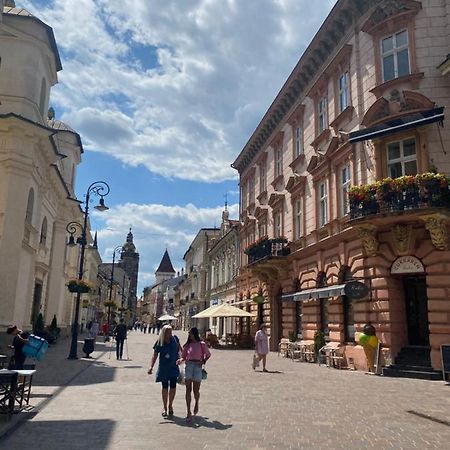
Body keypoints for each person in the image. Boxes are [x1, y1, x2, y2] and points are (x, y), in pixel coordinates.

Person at [148, 325, 182, 418]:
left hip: (174, 367)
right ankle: (164, 407)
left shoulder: (175, 339)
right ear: (164, 332)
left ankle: (170, 405)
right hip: (164, 368)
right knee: (165, 387)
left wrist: (182, 358)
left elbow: (180, 350)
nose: (170, 334)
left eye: (171, 332)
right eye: (168, 332)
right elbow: (155, 355)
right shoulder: (160, 342)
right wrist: (151, 367)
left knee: (173, 386)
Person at [178, 327, 211, 422]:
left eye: (191, 333)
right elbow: (183, 357)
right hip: (188, 366)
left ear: (195, 334)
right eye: (189, 334)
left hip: (197, 366)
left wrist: (204, 361)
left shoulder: (202, 344)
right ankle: (188, 411)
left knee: (196, 390)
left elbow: (208, 354)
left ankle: (196, 402)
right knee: (188, 389)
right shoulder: (187, 345)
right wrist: (180, 360)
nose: (189, 335)